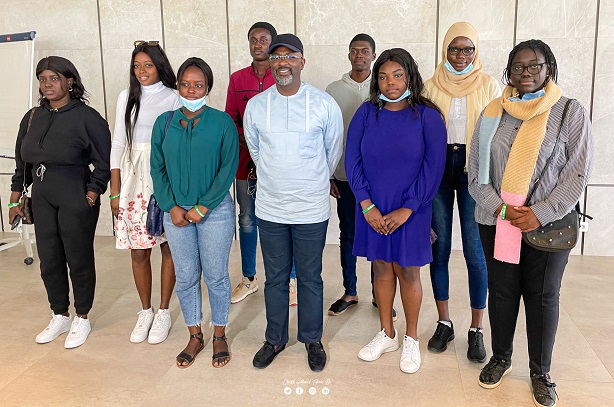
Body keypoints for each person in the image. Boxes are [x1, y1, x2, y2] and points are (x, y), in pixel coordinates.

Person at [468, 40, 593, 407]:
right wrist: (503, 210)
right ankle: (501, 358)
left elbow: (577, 173)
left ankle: (540, 372)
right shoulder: (493, 111)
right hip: (497, 219)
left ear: (548, 68)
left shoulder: (569, 111)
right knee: (503, 292)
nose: (526, 73)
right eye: (518, 66)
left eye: (534, 66)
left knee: (542, 297)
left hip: (548, 223)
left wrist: (539, 212)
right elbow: (476, 173)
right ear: (509, 70)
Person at [244, 33, 343, 372]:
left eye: (289, 56)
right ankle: (274, 338)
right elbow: (256, 151)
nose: (282, 63)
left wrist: (310, 180)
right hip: (270, 207)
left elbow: (332, 152)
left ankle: (312, 339)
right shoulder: (257, 106)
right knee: (274, 277)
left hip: (310, 208)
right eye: (276, 57)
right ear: (269, 63)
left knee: (311, 277)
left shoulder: (323, 104)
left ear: (302, 61)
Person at [345, 48, 446, 374]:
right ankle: (387, 333)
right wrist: (366, 205)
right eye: (384, 76)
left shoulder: (428, 116)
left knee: (408, 272)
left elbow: (433, 168)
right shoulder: (365, 113)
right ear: (377, 80)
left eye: (397, 75)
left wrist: (409, 208)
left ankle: (411, 338)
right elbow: (352, 161)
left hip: (411, 210)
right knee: (381, 270)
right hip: (372, 208)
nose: (390, 82)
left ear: (410, 76)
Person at [8, 56, 111, 349]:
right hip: (42, 196)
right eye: (42, 79)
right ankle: (60, 314)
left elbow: (104, 161)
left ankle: (82, 316)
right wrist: (15, 197)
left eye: (54, 78)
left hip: (75, 195)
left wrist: (92, 193)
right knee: (49, 259)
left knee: (77, 258)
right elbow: (22, 163)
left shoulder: (87, 117)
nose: (47, 84)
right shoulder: (32, 117)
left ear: (70, 82)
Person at [150, 57, 238, 368]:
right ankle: (195, 334)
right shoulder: (165, 123)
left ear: (208, 88)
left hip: (215, 211)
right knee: (186, 276)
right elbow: (157, 169)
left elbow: (228, 169)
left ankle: (219, 334)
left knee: (215, 276)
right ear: (178, 86)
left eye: (198, 85)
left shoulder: (223, 122)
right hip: (175, 213)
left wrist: (203, 206)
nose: (191, 90)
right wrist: (170, 206)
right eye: (185, 84)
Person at [423, 22, 501, 362]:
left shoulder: (489, 85)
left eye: (467, 49)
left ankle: (476, 328)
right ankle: (444, 322)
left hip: (475, 171)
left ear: (476, 51)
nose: (460, 55)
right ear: (444, 50)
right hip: (439, 171)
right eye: (454, 49)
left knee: (474, 251)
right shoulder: (428, 85)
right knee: (438, 249)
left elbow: (498, 134)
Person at [110, 40, 180, 344]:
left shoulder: (175, 97)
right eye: (137, 66)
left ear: (160, 66)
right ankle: (146, 311)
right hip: (132, 179)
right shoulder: (127, 96)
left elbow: (179, 145)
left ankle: (164, 311)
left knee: (168, 246)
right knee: (138, 249)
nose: (142, 71)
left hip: (164, 175)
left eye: (148, 65)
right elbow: (117, 143)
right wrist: (114, 190)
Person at [225, 22, 299, 307]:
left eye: (264, 40)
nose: (258, 44)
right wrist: (250, 148)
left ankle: (290, 278)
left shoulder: (283, 76)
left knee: (283, 219)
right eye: (253, 40)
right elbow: (231, 118)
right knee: (246, 219)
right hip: (245, 163)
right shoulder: (237, 78)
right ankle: (249, 278)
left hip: (278, 166)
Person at [325, 33, 389, 317]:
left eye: (365, 51)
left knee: (378, 234)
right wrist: (329, 173)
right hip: (344, 175)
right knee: (348, 233)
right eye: (354, 51)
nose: (359, 55)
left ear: (373, 55)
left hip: (379, 177)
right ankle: (350, 291)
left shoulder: (385, 87)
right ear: (348, 55)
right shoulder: (333, 89)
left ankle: (380, 294)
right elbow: (327, 135)